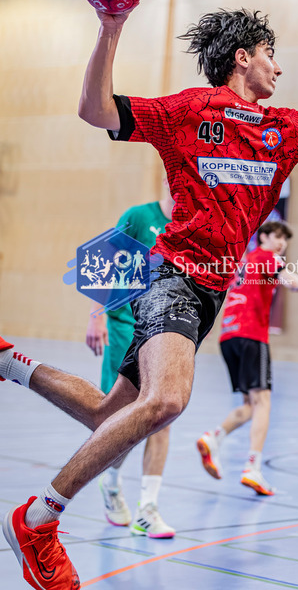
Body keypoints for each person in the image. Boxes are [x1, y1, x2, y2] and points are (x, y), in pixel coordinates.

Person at [2, 7, 298, 590]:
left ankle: (9, 361)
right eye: (272, 54)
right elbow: (95, 111)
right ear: (242, 57)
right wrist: (111, 26)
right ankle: (39, 519)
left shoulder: (287, 127)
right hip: (172, 276)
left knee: (108, 416)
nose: (280, 67)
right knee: (168, 400)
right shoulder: (188, 110)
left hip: (208, 297)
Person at [85, 189, 175, 538]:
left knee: (166, 412)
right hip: (125, 325)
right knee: (122, 418)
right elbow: (104, 260)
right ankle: (110, 481)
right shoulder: (140, 217)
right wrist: (96, 315)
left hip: (166, 330)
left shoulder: (193, 226)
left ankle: (148, 508)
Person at [197, 221, 298, 495]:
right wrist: (294, 281)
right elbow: (294, 282)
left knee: (249, 404)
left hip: (229, 336)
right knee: (263, 402)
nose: (281, 243)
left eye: (285, 239)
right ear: (263, 237)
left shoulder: (242, 263)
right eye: (277, 236)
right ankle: (253, 468)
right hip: (252, 335)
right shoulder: (268, 257)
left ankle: (214, 438)